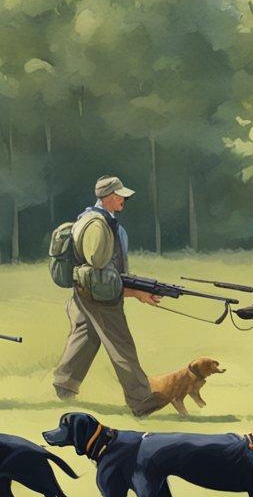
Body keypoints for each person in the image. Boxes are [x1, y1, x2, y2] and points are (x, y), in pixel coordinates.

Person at [52, 176, 170, 417]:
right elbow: (99, 265)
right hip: (99, 293)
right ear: (107, 197)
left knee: (86, 335)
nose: (123, 199)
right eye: (119, 195)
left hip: (86, 290)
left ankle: (64, 383)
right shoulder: (98, 224)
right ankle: (141, 399)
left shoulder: (91, 219)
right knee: (121, 344)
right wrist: (133, 291)